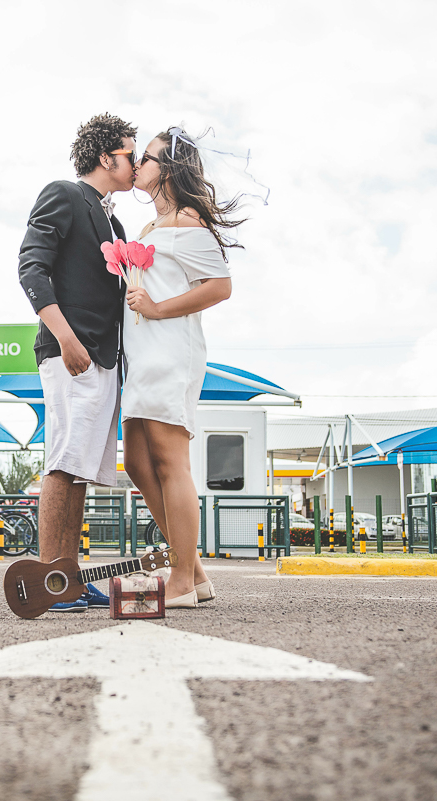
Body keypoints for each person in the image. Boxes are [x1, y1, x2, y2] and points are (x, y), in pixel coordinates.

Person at [121, 126, 247, 608]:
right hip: (143, 352)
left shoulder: (188, 222)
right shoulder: (154, 225)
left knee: (171, 462)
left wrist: (156, 309)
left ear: (169, 169)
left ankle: (180, 581)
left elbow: (220, 286)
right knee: (135, 461)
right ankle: (193, 571)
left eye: (147, 158)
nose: (138, 167)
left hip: (170, 349)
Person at [18, 113, 138, 612]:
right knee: (63, 462)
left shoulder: (114, 219)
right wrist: (65, 339)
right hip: (72, 352)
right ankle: (51, 580)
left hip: (102, 356)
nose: (136, 165)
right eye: (131, 155)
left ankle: (67, 576)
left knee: (81, 468)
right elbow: (31, 265)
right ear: (106, 156)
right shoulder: (63, 193)